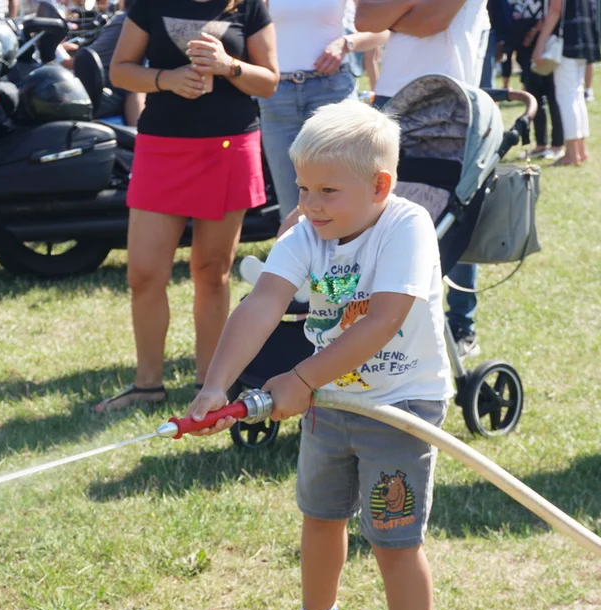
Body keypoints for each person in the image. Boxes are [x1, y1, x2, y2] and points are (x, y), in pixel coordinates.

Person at [188, 100, 454, 610]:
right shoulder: (308, 231)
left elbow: (385, 319)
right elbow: (262, 304)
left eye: (328, 190)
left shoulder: (405, 226)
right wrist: (216, 385)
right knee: (320, 514)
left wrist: (301, 377)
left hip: (399, 408)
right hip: (333, 400)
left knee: (393, 539)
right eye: (304, 187)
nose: (310, 203)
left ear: (380, 186)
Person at [97, 0, 278, 410]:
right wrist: (167, 79)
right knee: (144, 273)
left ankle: (209, 386)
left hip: (228, 146)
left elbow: (268, 82)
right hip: (162, 148)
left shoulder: (249, 6)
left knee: (212, 272)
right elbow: (121, 69)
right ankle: (147, 386)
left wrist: (228, 65)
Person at [357, 0, 489, 360]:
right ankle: (382, 317)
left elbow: (431, 22)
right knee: (382, 209)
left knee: (453, 207)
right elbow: (365, 19)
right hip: (394, 95)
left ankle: (461, 325)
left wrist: (397, 16)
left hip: (454, 98)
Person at [259, 0, 388, 223]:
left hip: (331, 91)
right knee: (293, 206)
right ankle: (302, 258)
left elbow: (383, 31)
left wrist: (346, 44)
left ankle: (350, 257)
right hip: (277, 96)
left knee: (345, 194)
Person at [532, 0, 599, 167]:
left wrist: (539, 45)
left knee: (567, 96)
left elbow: (555, 9)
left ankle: (571, 153)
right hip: (583, 38)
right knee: (577, 94)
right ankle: (581, 150)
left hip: (567, 41)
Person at [59, 0, 145, 126]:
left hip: (122, 87)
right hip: (134, 83)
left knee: (133, 87)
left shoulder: (126, 21)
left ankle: (135, 136)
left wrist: (57, 55)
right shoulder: (130, 20)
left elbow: (85, 59)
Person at [511, 0, 563, 160]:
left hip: (543, 47)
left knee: (553, 96)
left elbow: (549, 14)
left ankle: (557, 144)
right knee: (534, 96)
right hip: (526, 50)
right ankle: (541, 144)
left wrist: (533, 35)